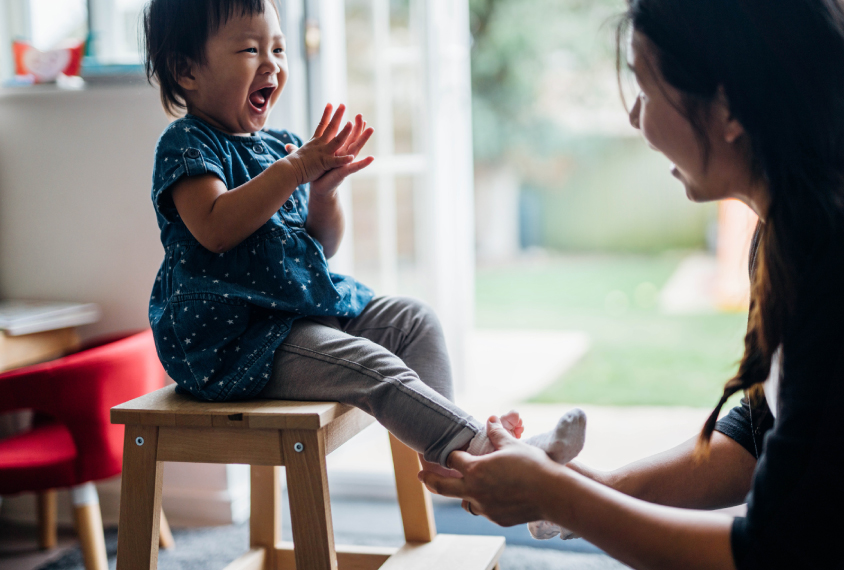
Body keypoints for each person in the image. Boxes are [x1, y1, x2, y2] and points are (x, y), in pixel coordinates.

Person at [419, 0, 844, 568]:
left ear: (728, 106)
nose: (634, 120)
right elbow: (763, 435)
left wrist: (555, 495)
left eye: (644, 89)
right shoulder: (788, 229)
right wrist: (580, 484)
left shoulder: (828, 257)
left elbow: (777, 552)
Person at [141, 0, 583, 505]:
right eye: (250, 49)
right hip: (235, 341)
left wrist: (323, 193)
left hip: (297, 317)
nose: (273, 64)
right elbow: (215, 228)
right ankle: (494, 455)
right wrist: (296, 170)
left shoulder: (280, 147)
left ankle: (455, 460)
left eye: (279, 49)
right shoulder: (187, 143)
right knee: (375, 369)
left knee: (415, 320)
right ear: (187, 70)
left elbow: (320, 249)